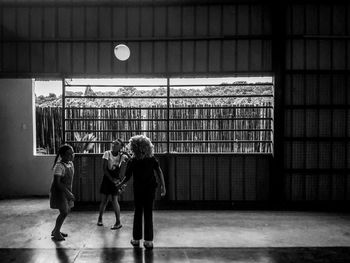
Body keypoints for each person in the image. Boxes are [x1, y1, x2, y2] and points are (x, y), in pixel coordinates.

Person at [116, 135, 166, 250]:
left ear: (134, 148)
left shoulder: (133, 161)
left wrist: (120, 184)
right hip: (149, 189)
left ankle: (136, 239)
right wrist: (163, 186)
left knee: (139, 212)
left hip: (140, 189)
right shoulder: (150, 159)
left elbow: (127, 177)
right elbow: (159, 172)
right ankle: (148, 241)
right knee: (147, 212)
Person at [97, 139, 129, 229]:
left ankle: (118, 222)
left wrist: (127, 154)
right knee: (104, 200)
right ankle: (100, 218)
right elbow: (104, 169)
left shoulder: (121, 156)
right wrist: (112, 180)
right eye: (114, 143)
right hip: (108, 179)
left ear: (120, 147)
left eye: (117, 144)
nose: (114, 145)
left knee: (115, 200)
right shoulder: (107, 153)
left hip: (116, 179)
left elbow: (131, 162)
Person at [50, 144, 75, 241]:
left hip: (67, 191)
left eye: (72, 153)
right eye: (69, 154)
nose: (71, 156)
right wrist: (68, 193)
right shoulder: (59, 166)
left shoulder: (70, 163)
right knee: (64, 212)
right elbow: (57, 183)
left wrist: (69, 192)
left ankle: (56, 230)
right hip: (60, 192)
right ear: (62, 155)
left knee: (66, 210)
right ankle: (56, 232)